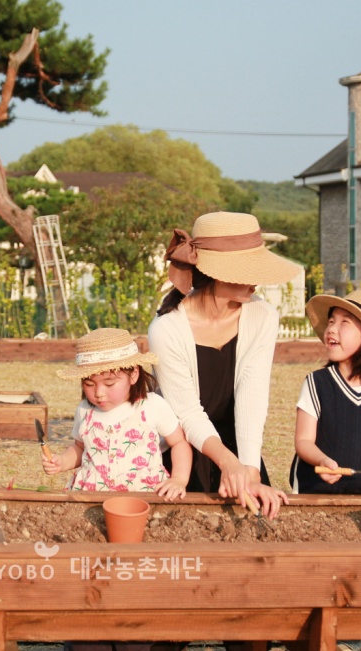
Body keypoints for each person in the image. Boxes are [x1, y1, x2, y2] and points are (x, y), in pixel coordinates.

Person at [148, 211, 298, 519]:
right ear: (214, 273)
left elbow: (251, 397)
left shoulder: (263, 316)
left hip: (238, 444)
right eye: (246, 270)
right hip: (183, 450)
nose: (256, 282)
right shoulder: (166, 329)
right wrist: (228, 463)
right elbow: (187, 412)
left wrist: (249, 471)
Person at [43, 327, 192, 500]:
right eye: (90, 384)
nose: (98, 393)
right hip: (91, 496)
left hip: (144, 496)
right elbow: (80, 447)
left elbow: (179, 443)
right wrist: (62, 462)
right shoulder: (85, 410)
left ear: (133, 374)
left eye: (109, 383)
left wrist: (179, 479)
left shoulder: (151, 405)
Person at [289, 289, 361, 494]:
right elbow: (303, 441)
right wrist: (322, 460)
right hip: (315, 495)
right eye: (332, 321)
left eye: (345, 322)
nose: (332, 329)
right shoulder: (317, 383)